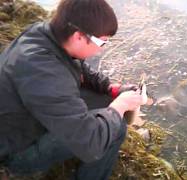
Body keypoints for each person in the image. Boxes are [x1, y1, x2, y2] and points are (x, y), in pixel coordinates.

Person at [0, 0, 145, 179]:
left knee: (107, 106)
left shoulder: (45, 34)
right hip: (17, 151)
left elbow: (75, 63)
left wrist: (111, 89)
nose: (101, 50)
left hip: (30, 116)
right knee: (116, 127)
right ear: (78, 36)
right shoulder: (42, 72)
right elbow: (90, 143)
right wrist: (120, 107)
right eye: (102, 43)